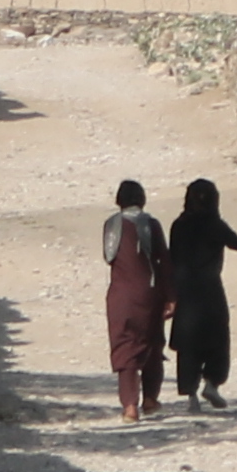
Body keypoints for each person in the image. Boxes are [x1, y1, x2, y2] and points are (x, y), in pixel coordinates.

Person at [162, 179, 237, 410]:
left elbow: (170, 259)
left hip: (185, 291)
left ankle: (191, 396)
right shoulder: (215, 225)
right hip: (211, 290)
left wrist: (169, 294)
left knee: (188, 345)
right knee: (217, 340)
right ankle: (212, 383)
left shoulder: (179, 225)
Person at [98, 177, 168, 421]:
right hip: (148, 294)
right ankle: (150, 399)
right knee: (151, 344)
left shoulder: (111, 225)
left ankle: (129, 406)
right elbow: (164, 261)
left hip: (119, 296)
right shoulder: (151, 225)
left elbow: (109, 257)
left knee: (125, 347)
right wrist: (171, 297)